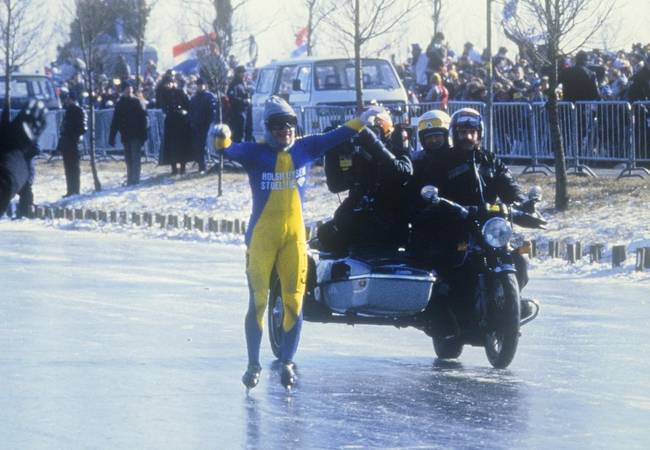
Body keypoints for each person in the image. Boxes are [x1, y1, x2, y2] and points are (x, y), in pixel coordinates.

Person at [209, 96, 366, 390]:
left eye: (290, 125)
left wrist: (364, 118)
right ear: (267, 130)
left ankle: (288, 361)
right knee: (258, 301)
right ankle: (253, 363)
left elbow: (339, 134)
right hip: (261, 238)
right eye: (278, 127)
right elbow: (224, 150)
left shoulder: (306, 149)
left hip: (294, 238)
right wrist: (219, 136)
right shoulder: (256, 154)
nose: (285, 132)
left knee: (294, 301)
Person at [318, 106, 413, 255]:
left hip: (390, 214)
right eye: (362, 131)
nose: (365, 136)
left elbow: (403, 172)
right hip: (361, 211)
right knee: (326, 232)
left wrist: (373, 143)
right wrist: (331, 152)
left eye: (371, 131)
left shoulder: (396, 147)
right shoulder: (357, 153)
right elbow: (336, 186)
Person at [0, 101, 46, 215]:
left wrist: (21, 152)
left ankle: (25, 211)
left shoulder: (27, 137)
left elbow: (35, 149)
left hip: (24, 164)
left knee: (26, 190)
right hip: (16, 165)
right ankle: (23, 211)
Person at [109, 81, 149, 186]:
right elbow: (115, 120)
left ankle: (135, 179)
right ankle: (130, 178)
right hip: (126, 134)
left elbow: (143, 118)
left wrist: (144, 133)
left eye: (130, 88)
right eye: (127, 88)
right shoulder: (120, 103)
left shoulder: (137, 102)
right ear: (123, 90)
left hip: (136, 134)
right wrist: (112, 136)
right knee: (128, 158)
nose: (129, 90)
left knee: (135, 157)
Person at [157, 72, 191, 175]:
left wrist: (185, 111)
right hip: (171, 122)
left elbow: (187, 105)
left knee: (183, 145)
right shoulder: (163, 93)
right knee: (171, 146)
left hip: (181, 122)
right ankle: (174, 168)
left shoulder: (180, 92)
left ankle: (183, 167)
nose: (168, 85)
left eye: (169, 83)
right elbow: (163, 106)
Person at [58, 91, 87, 197]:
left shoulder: (79, 110)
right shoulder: (68, 111)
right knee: (68, 168)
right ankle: (70, 190)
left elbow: (82, 128)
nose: (66, 100)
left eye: (68, 98)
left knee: (74, 168)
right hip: (67, 143)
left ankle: (75, 189)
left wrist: (74, 137)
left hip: (74, 143)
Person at [188, 77, 217, 172]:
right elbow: (191, 110)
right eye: (198, 85)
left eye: (201, 85)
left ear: (205, 85)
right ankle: (202, 166)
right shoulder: (194, 98)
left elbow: (213, 111)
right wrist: (192, 121)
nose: (200, 87)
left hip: (206, 124)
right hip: (197, 124)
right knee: (199, 146)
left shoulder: (209, 97)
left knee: (204, 145)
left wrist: (210, 122)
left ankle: (203, 166)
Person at [226, 65, 251, 143]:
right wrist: (244, 101)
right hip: (236, 113)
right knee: (237, 135)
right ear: (238, 73)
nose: (244, 74)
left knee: (243, 133)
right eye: (242, 72)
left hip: (244, 112)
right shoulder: (234, 84)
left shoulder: (243, 83)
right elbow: (232, 98)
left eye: (244, 72)